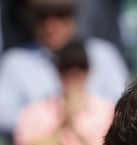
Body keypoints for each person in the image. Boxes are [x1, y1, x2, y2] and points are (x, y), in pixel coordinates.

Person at [13, 38, 117, 145]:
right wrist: (62, 124)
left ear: (89, 71)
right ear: (57, 71)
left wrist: (75, 129)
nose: (73, 76)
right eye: (66, 69)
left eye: (80, 69)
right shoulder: (35, 112)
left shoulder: (107, 111)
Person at [0, 0, 128, 136]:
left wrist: (83, 113)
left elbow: (124, 108)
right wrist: (56, 114)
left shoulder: (103, 54)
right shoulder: (15, 60)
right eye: (42, 16)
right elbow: (3, 116)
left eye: (61, 14)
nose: (51, 25)